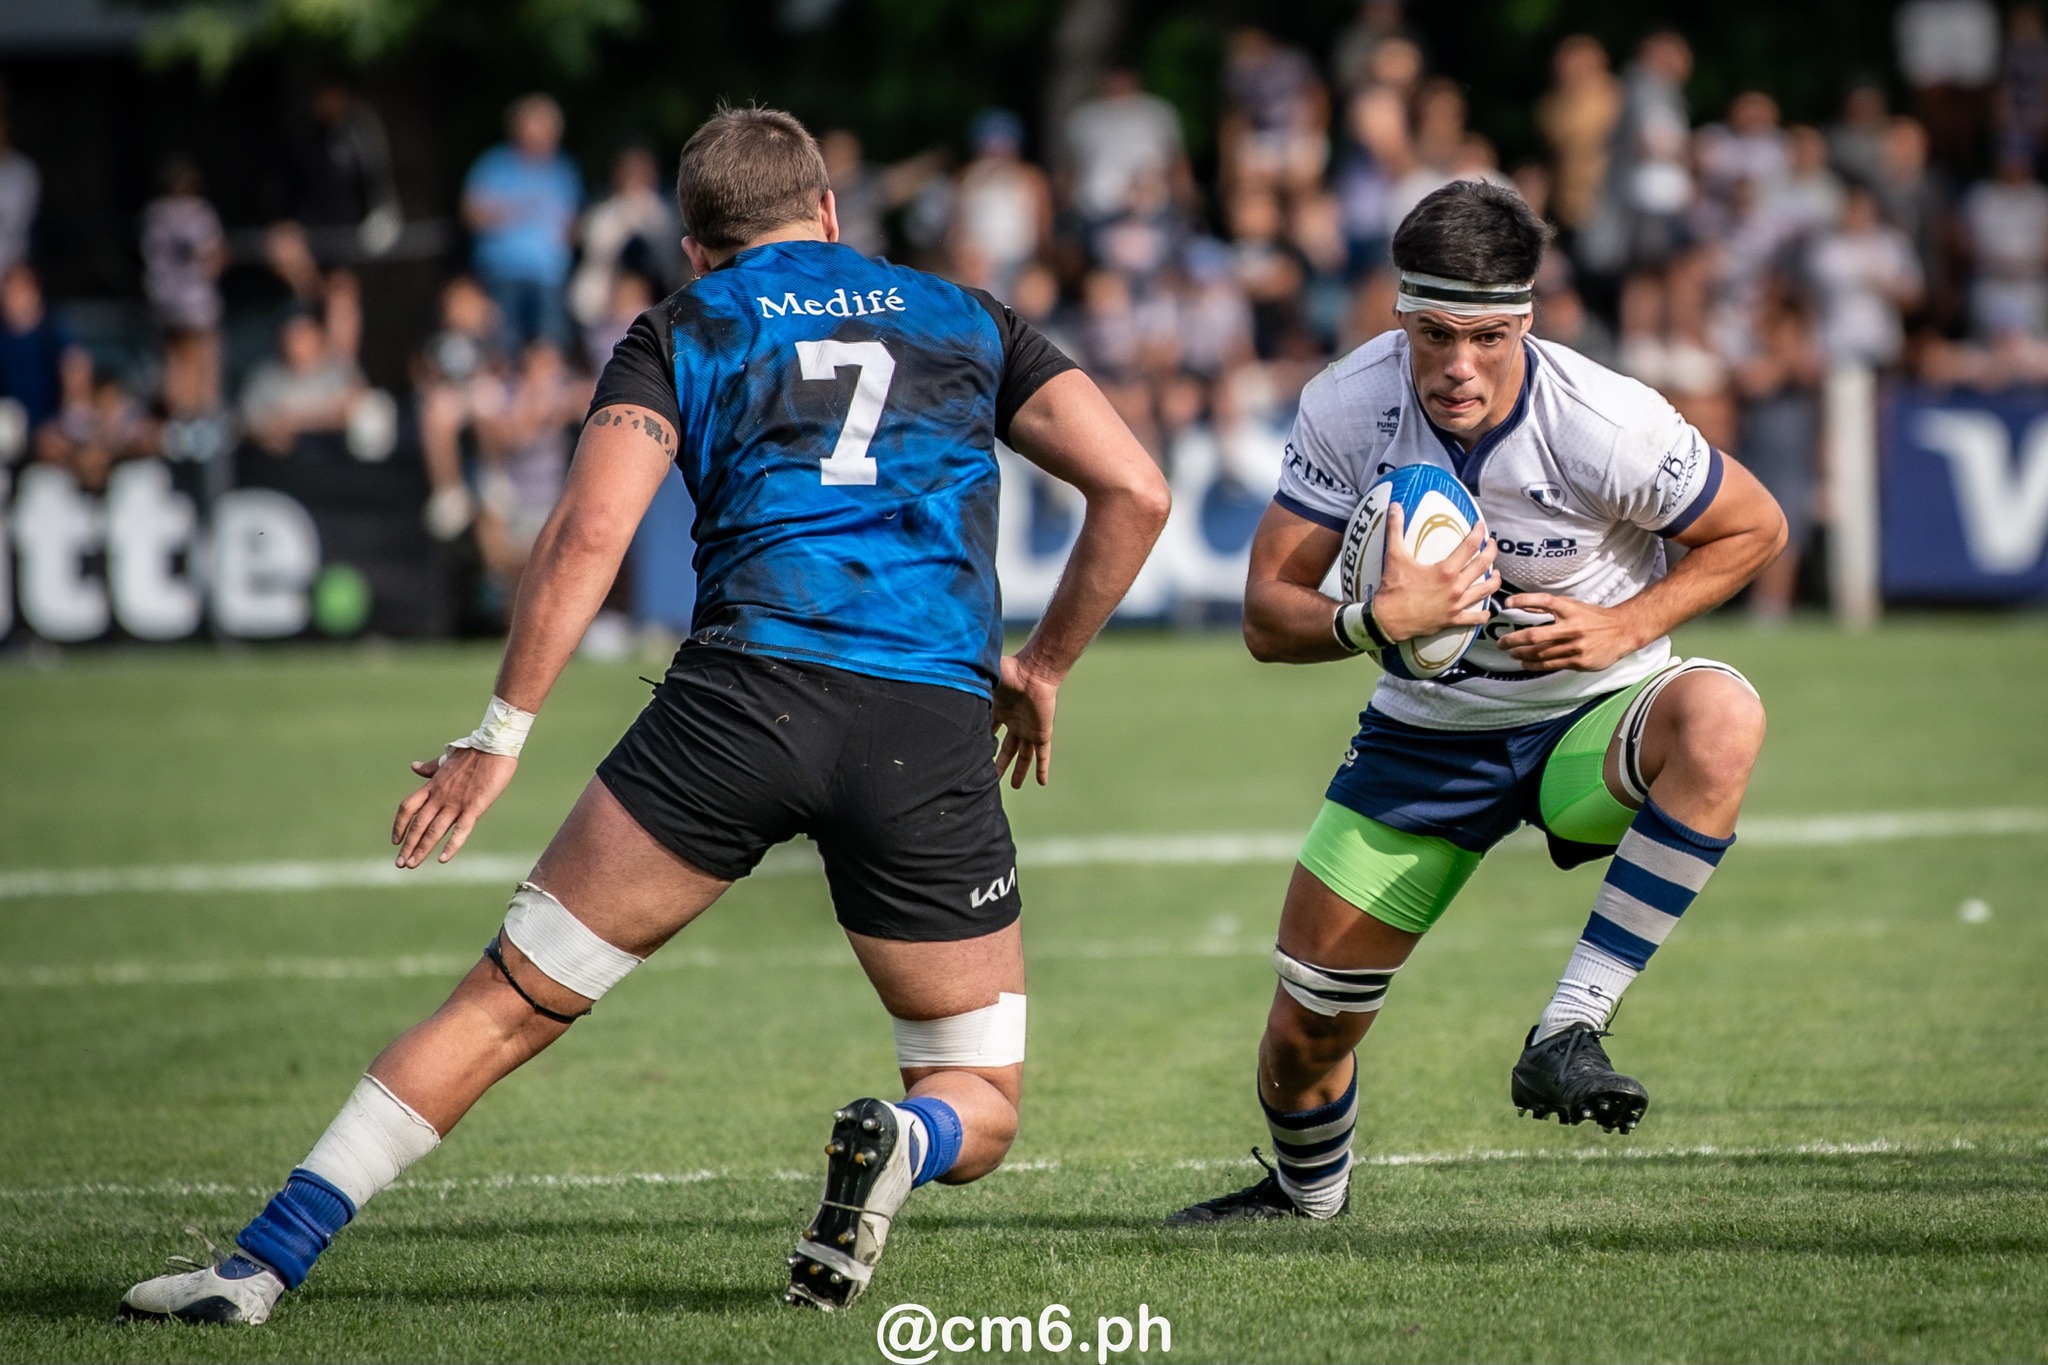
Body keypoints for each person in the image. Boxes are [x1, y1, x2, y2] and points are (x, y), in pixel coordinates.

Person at [120, 104, 1170, 1324]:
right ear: (830, 212)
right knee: (975, 1095)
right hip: (923, 722)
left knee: (508, 1002)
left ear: (691, 247)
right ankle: (905, 1135)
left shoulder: (682, 326)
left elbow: (589, 533)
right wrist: (1040, 667)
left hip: (740, 705)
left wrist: (496, 738)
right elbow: (1134, 489)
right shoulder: (967, 317)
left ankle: (259, 1266)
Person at [1168, 182, 1785, 1225]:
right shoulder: (1346, 403)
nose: (1458, 366)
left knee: (1722, 712)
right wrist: (1375, 618)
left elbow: (1754, 527)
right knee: (1305, 1036)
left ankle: (1567, 1030)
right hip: (1426, 736)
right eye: (1434, 334)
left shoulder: (1604, 421)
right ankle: (1305, 1201)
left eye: (1488, 338)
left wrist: (1623, 627)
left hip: (1594, 714)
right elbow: (1266, 614)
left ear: (1525, 324)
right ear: (1398, 316)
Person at [462, 94, 582, 350]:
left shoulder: (564, 170)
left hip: (550, 277)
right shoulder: (494, 165)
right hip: (502, 274)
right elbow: (471, 215)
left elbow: (573, 225)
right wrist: (511, 211)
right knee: (503, 347)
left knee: (550, 346)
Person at [141, 156, 228, 418]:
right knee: (200, 366)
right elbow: (212, 258)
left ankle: (176, 424)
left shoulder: (153, 214)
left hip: (162, 301)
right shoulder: (196, 211)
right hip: (193, 302)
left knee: (174, 365)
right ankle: (194, 429)